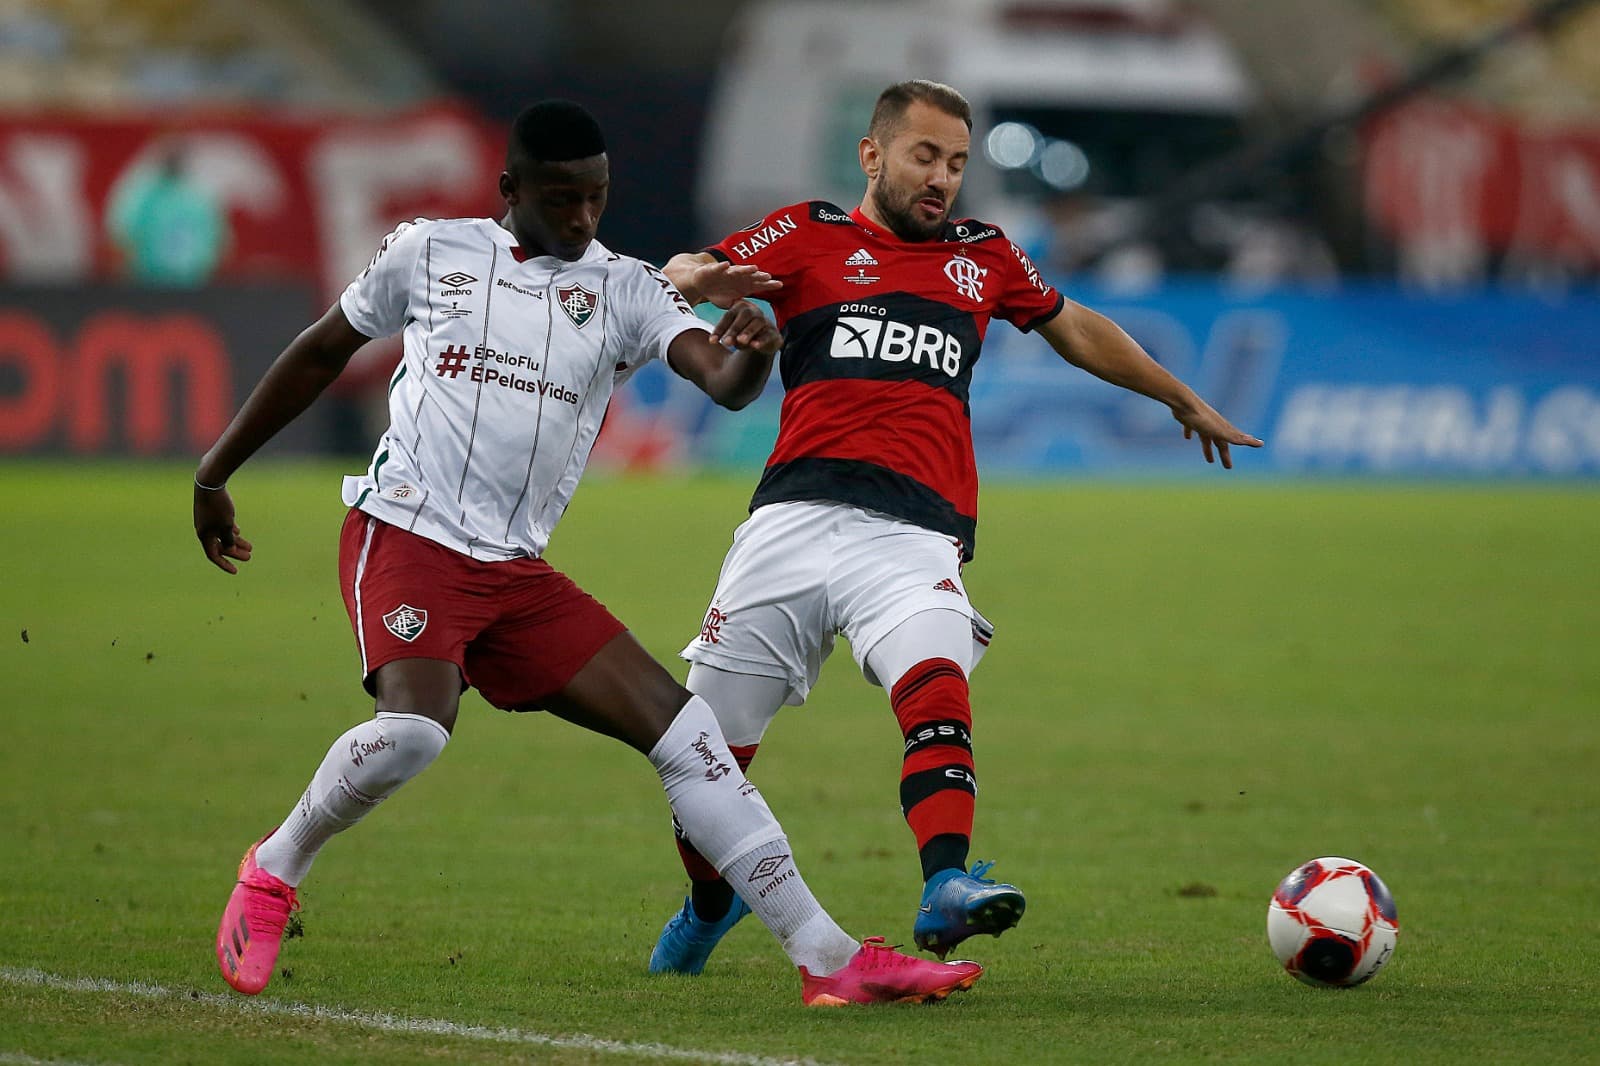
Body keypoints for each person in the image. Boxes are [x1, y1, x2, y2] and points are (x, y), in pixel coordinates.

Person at [194, 99, 984, 1007]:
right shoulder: (429, 250)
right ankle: (273, 869)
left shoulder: (626, 288)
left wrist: (754, 349)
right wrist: (215, 475)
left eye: (597, 199)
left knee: (690, 737)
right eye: (562, 199)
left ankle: (828, 957)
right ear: (511, 188)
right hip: (408, 534)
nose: (582, 218)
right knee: (414, 730)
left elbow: (722, 382)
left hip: (516, 573)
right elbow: (319, 351)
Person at [647, 80, 1263, 974]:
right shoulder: (809, 233)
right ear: (873, 155)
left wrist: (1181, 396)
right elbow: (688, 269)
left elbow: (1075, 328)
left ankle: (946, 882)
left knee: (934, 680)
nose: (942, 178)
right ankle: (711, 904)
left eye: (958, 163)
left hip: (912, 535)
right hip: (789, 521)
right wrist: (697, 279)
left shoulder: (985, 256)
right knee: (704, 758)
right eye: (925, 156)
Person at [106, 138, 229, 287]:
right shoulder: (145, 196)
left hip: (185, 282)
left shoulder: (198, 199)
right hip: (152, 281)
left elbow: (218, 241)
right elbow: (123, 237)